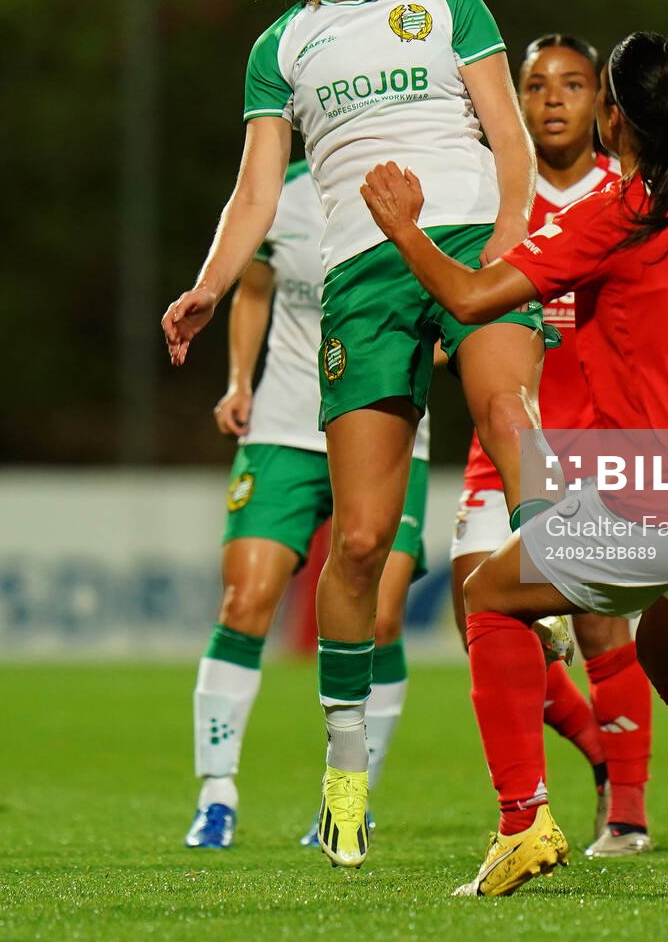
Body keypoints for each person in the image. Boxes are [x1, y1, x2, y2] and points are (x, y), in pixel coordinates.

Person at [357, 32, 668, 898]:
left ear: (612, 118)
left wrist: (402, 229)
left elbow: (470, 296)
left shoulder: (619, 213)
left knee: (490, 597)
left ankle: (522, 823)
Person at [162, 0, 544, 868]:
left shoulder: (447, 0)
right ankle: (344, 771)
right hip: (364, 279)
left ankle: (550, 573)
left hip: (471, 241)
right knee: (362, 544)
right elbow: (257, 193)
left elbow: (510, 140)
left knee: (507, 412)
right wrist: (208, 286)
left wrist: (511, 242)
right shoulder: (283, 47)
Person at [185, 157, 433, 850]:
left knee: (383, 617)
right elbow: (255, 290)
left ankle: (353, 794)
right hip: (285, 425)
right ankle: (216, 795)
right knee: (244, 600)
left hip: (386, 423)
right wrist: (240, 382)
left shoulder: (423, 188)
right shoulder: (279, 194)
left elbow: (457, 308)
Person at [447, 33, 654, 859]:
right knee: (478, 613)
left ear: (602, 101)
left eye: (572, 83)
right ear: (516, 101)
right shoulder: (496, 195)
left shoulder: (629, 196)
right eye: (535, 85)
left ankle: (627, 815)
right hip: (508, 434)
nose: (553, 99)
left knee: (602, 626)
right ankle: (599, 751)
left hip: (600, 435)